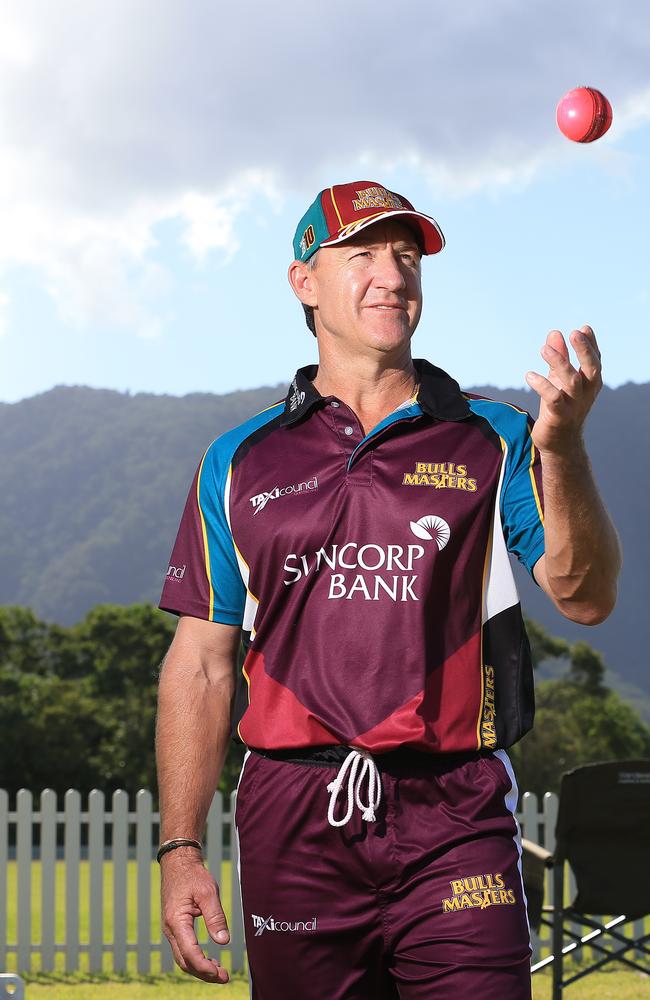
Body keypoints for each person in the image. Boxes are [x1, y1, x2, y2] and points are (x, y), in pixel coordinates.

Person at [155, 181, 621, 998]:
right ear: (304, 281)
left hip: (456, 810)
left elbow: (584, 595)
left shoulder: (496, 435)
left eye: (406, 256)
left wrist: (567, 450)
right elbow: (200, 664)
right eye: (362, 253)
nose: (393, 275)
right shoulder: (238, 459)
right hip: (294, 816)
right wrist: (181, 847)